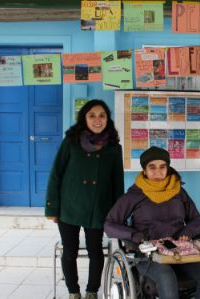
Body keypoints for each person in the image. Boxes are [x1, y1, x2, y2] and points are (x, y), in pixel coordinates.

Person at [105, 146, 200, 299]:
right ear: (144, 170)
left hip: (180, 252)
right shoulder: (134, 195)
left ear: (167, 168)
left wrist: (187, 232)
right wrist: (133, 235)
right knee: (166, 277)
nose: (158, 172)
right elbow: (109, 224)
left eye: (162, 167)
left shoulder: (178, 191)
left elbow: (196, 220)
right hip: (149, 255)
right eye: (152, 167)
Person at [45, 99, 124, 299]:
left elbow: (117, 182)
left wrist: (117, 214)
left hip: (99, 208)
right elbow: (56, 174)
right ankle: (73, 292)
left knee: (95, 251)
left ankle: (91, 291)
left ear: (108, 119)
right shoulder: (70, 142)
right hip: (69, 207)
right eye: (92, 115)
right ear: (84, 118)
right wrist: (52, 208)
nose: (97, 120)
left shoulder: (114, 147)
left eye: (102, 115)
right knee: (69, 251)